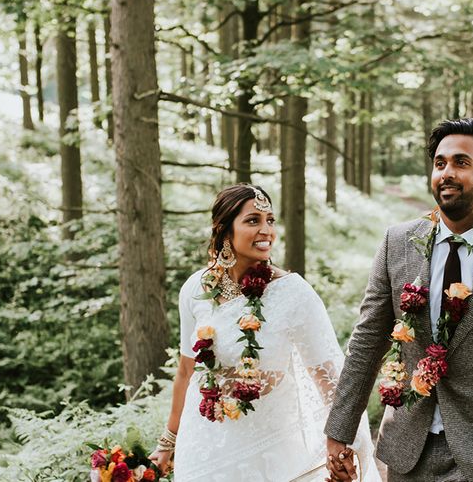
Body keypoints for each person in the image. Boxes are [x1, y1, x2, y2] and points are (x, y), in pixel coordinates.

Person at [324, 118, 473, 482]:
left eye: (461, 163)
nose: (447, 173)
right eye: (440, 163)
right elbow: (367, 341)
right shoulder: (397, 244)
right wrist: (338, 431)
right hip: (408, 451)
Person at [149, 183, 380, 482]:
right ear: (224, 230)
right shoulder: (196, 289)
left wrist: (340, 447)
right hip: (204, 446)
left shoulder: (293, 293)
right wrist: (169, 442)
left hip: (272, 452)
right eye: (252, 220)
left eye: (270, 220)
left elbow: (329, 380)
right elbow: (185, 372)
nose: (266, 230)